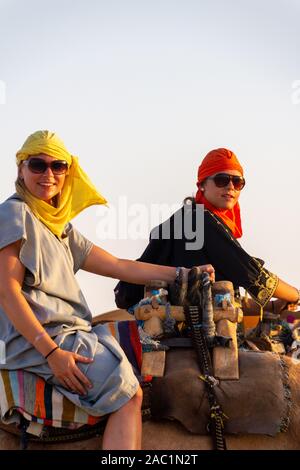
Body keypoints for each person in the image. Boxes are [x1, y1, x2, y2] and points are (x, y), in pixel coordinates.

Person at [0, 130, 214, 450]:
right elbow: (7, 292)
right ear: (21, 169)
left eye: (58, 166)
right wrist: (51, 353)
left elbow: (118, 266)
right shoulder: (15, 214)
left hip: (71, 331)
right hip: (44, 339)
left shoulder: (59, 227)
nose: (48, 174)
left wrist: (183, 273)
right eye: (37, 165)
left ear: (67, 172)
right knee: (129, 396)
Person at [115, 148, 300, 316]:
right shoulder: (198, 219)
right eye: (221, 180)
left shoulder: (195, 218)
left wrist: (272, 307)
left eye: (237, 182)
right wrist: (295, 295)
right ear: (202, 185)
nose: (230, 187)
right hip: (186, 322)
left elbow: (223, 293)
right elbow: (250, 274)